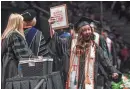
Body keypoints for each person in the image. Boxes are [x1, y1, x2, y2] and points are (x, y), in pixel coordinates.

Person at [64, 17, 121, 89]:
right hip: (74, 78)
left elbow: (105, 60)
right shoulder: (71, 43)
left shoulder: (94, 46)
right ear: (80, 33)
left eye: (89, 29)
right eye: (84, 30)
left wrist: (113, 71)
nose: (88, 32)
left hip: (89, 80)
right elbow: (58, 45)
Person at [1, 13, 37, 89]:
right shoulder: (14, 35)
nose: (23, 23)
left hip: (8, 64)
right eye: (22, 21)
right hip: (13, 66)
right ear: (17, 23)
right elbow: (21, 54)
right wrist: (35, 58)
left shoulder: (6, 34)